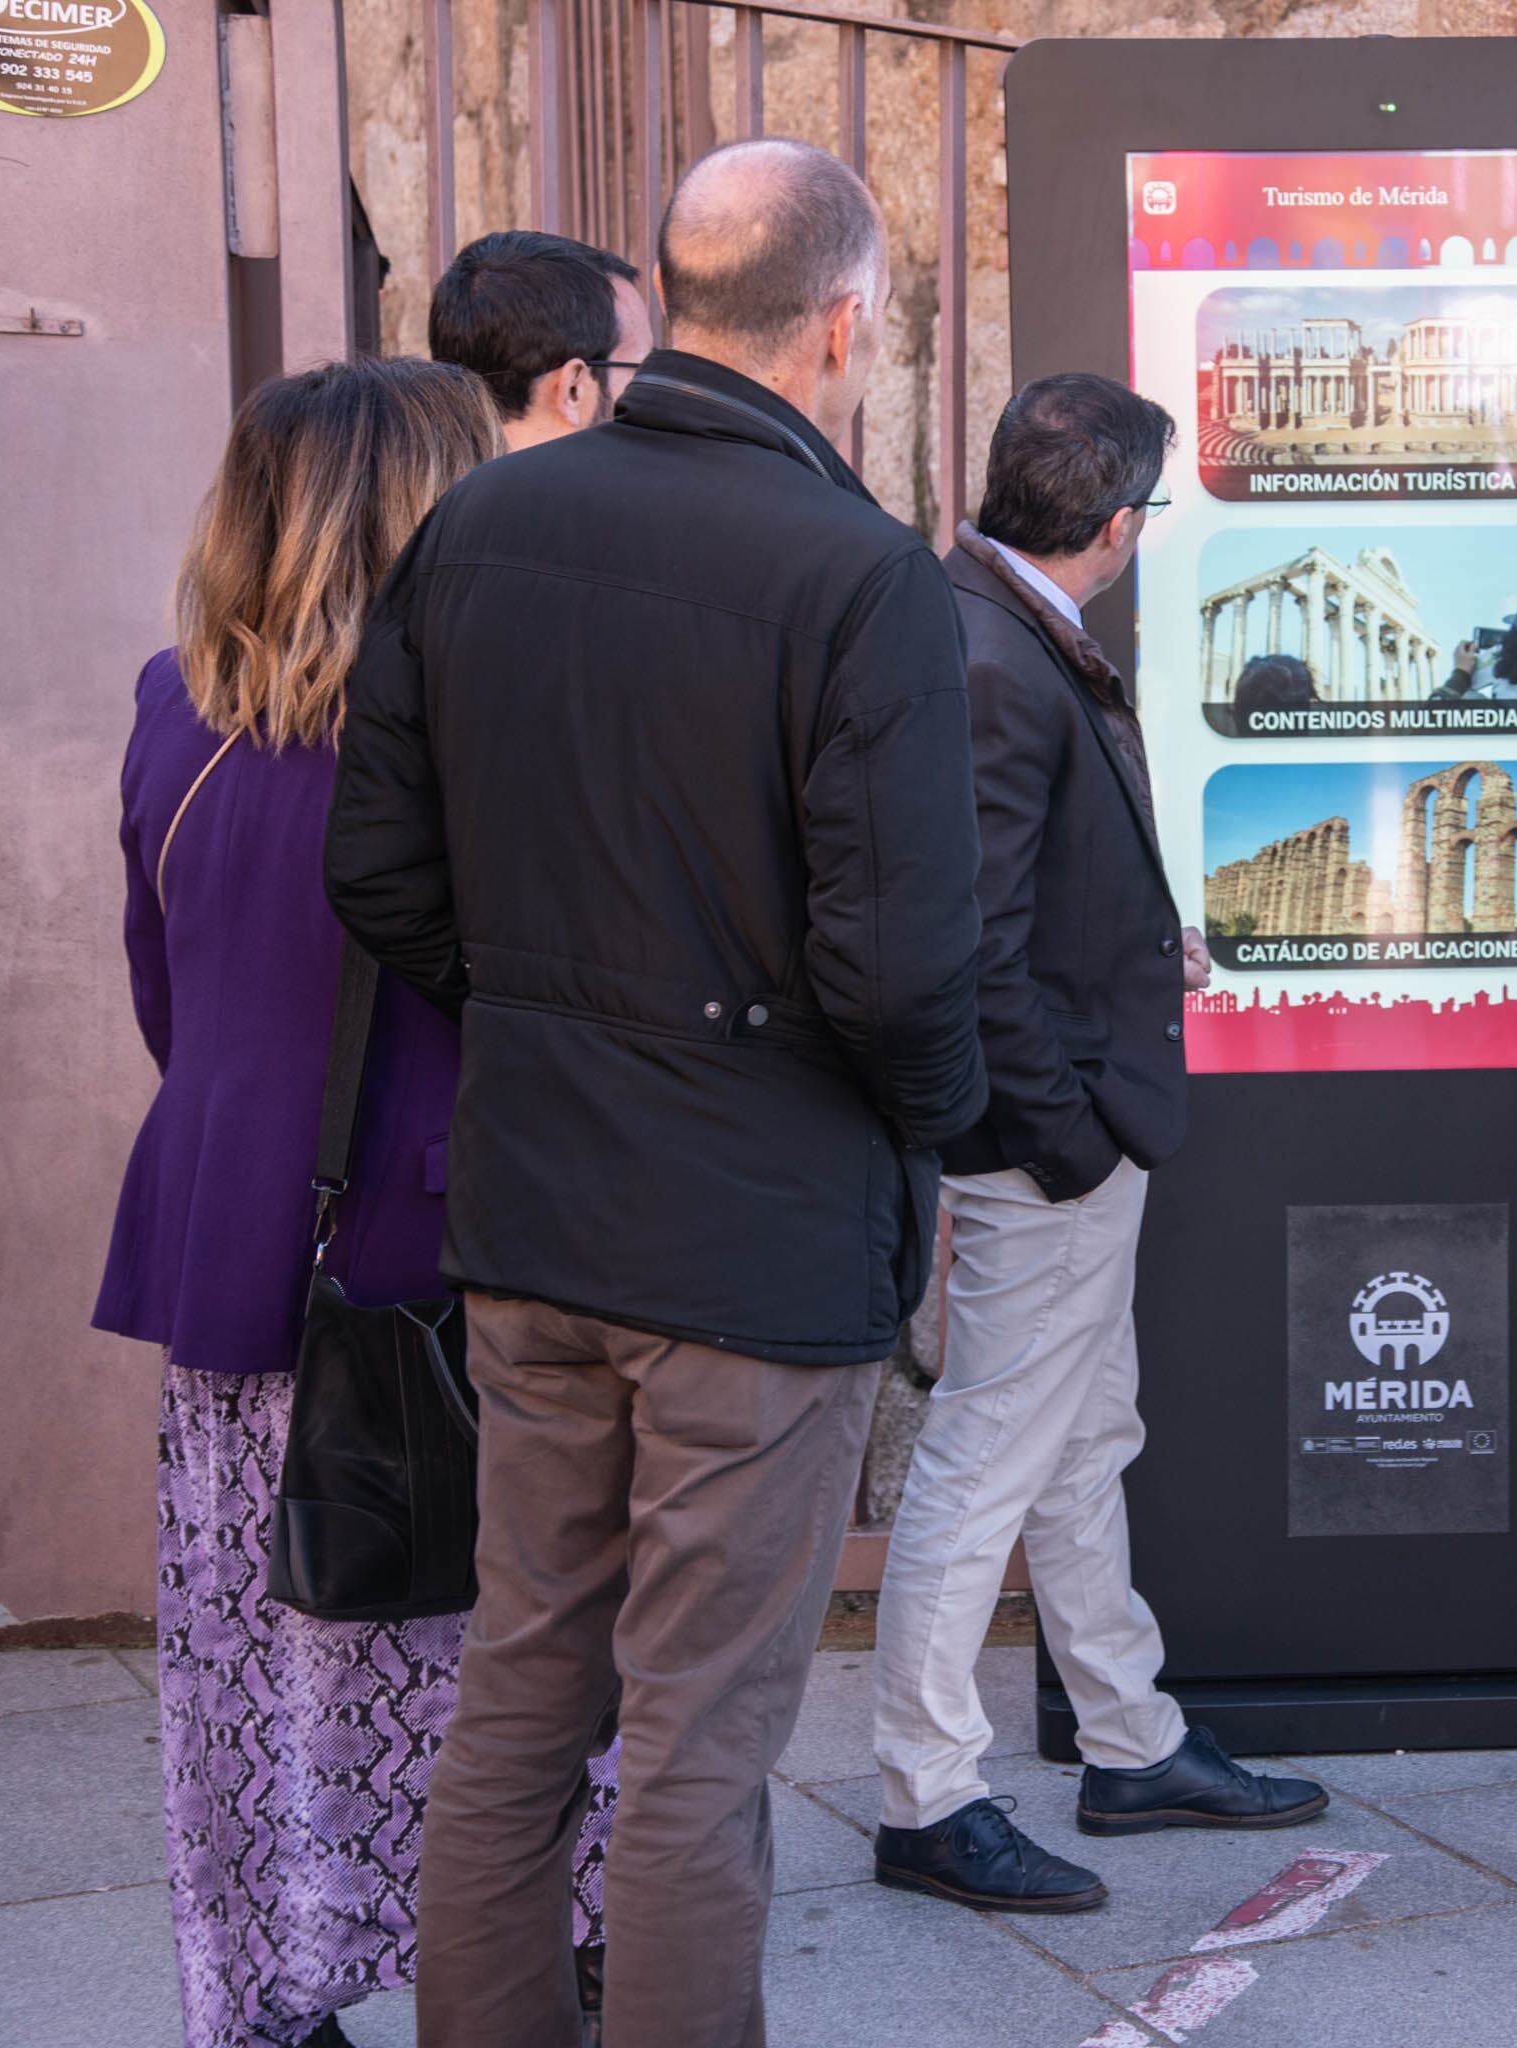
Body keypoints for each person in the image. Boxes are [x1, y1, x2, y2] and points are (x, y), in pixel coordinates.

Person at [326, 138, 986, 2048]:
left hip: (537, 1219)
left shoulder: (474, 526)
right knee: (701, 1737)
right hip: (753, 1247)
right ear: (848, 321)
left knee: (523, 1687)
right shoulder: (861, 574)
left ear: (672, 300)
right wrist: (918, 1136)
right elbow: (904, 975)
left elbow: (380, 876)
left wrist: (548, 1011)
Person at [93, 356, 614, 2048]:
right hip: (443, 1251)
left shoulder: (171, 712)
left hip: (224, 1238)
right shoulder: (480, 728)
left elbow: (166, 990)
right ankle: (540, 1958)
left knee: (254, 1663)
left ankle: (266, 1996)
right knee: (499, 1653)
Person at [871, 373, 1327, 1916]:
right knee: (990, 1456)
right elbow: (977, 944)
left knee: (1077, 1439)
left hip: (1060, 1116)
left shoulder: (979, 620)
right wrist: (1069, 1141)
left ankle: (1131, 1737)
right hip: (1043, 1140)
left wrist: (1142, 946)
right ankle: (928, 1794)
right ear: (1121, 524)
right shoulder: (999, 651)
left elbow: (1028, 901)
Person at [427, 228, 655, 451]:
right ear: (573, 389)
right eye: (643, 369)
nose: (659, 386)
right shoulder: (648, 482)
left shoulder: (416, 482)